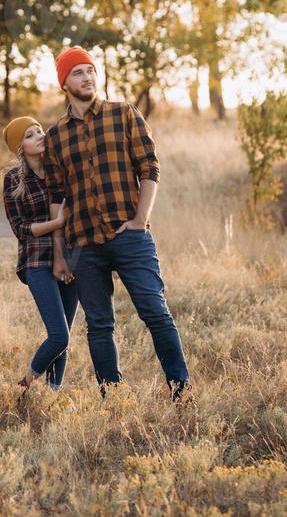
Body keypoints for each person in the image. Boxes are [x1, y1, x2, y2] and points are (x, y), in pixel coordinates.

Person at [44, 47, 191, 402]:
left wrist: (141, 219)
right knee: (99, 325)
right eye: (78, 72)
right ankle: (116, 399)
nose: (87, 77)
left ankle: (181, 390)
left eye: (91, 71)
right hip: (84, 243)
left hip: (130, 236)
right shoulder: (56, 135)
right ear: (65, 82)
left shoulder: (123, 113)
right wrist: (59, 254)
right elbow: (55, 198)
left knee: (155, 311)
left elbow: (149, 167)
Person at [2, 115, 79, 394]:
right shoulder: (12, 180)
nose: (40, 136)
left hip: (71, 258)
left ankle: (51, 396)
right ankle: (26, 382)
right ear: (20, 147)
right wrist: (55, 224)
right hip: (36, 261)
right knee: (58, 336)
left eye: (40, 131)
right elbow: (20, 228)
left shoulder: (60, 169)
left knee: (65, 337)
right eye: (31, 135)